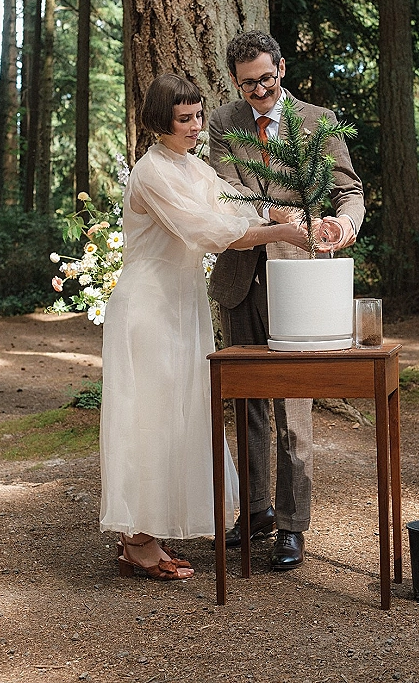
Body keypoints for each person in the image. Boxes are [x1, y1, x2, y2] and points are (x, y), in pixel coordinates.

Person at [99, 72, 317, 581]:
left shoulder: (192, 168)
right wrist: (281, 232)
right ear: (160, 121)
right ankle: (137, 540)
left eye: (199, 116)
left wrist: (280, 210)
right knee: (147, 417)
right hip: (148, 307)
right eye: (184, 119)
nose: (197, 126)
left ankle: (146, 534)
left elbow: (231, 201)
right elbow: (209, 230)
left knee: (182, 414)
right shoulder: (150, 173)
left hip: (184, 304)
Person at [208, 30, 365, 570]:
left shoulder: (319, 121)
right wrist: (271, 217)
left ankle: (294, 525)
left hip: (299, 281)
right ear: (235, 79)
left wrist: (342, 225)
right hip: (239, 278)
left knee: (293, 406)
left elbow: (350, 191)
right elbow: (226, 191)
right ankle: (255, 511)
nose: (258, 91)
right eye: (247, 83)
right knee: (246, 402)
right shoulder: (223, 124)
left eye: (266, 79)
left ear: (281, 68)